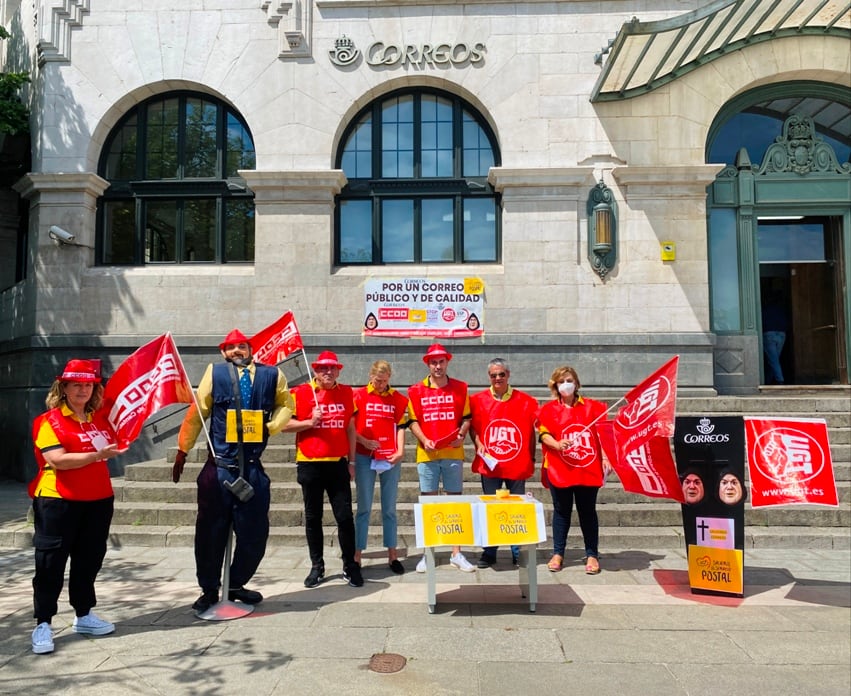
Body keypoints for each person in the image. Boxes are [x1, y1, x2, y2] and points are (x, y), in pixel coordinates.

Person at [173, 329, 294, 614]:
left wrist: (271, 426)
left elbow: (286, 404)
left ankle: (236, 583)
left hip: (252, 469)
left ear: (251, 349)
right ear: (223, 352)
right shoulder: (214, 374)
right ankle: (210, 588)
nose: (236, 351)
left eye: (241, 346)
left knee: (255, 533)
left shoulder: (271, 375)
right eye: (230, 348)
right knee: (209, 533)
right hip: (219, 470)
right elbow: (197, 413)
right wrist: (182, 449)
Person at [29, 359, 123, 654]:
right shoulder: (49, 421)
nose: (82, 390)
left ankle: (84, 615)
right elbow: (56, 460)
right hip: (58, 501)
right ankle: (43, 623)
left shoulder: (100, 419)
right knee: (50, 563)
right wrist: (96, 456)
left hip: (98, 500)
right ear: (64, 388)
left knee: (89, 559)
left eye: (88, 385)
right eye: (76, 385)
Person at [282, 350, 363, 588]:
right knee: (313, 517)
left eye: (332, 368)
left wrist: (352, 461)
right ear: (315, 370)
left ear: (339, 370)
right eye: (322, 368)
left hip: (338, 464)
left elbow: (350, 429)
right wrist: (309, 422)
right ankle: (317, 566)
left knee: (345, 517)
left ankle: (350, 565)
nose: (328, 372)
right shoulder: (299, 393)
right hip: (310, 463)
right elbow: (283, 425)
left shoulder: (348, 393)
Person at [407, 343, 475, 573]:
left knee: (455, 502)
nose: (438, 366)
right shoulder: (415, 390)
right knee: (428, 504)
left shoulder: (460, 388)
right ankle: (429, 553)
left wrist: (462, 434)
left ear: (447, 362)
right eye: (433, 362)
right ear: (428, 364)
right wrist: (424, 439)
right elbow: (412, 421)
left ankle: (457, 552)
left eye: (441, 361)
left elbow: (467, 417)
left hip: (453, 452)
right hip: (427, 453)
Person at [537, 365, 608, 575]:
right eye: (561, 381)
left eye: (569, 380)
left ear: (576, 383)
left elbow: (603, 434)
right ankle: (558, 553)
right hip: (560, 468)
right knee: (561, 512)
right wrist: (557, 444)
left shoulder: (594, 408)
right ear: (555, 386)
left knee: (588, 512)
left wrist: (605, 457)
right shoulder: (549, 409)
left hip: (587, 467)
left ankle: (592, 554)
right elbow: (543, 434)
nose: (565, 385)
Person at [469, 358, 538, 568]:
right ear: (488, 377)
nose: (497, 378)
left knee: (516, 510)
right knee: (490, 508)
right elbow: (473, 428)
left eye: (501, 374)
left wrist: (532, 458)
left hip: (516, 464)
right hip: (491, 465)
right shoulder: (477, 400)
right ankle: (489, 551)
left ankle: (518, 551)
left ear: (508, 375)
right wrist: (478, 442)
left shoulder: (526, 400)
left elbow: (532, 432)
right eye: (493, 375)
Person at [353, 360, 409, 574]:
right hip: (365, 455)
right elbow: (350, 428)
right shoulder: (358, 396)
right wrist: (362, 441)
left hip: (389, 456)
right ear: (370, 376)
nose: (381, 385)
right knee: (364, 507)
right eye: (378, 381)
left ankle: (392, 555)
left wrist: (401, 451)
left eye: (385, 381)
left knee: (389, 508)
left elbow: (401, 427)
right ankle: (357, 555)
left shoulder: (397, 398)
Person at [762, 291, 788, 385]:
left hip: (769, 334)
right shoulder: (781, 309)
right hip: (781, 334)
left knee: (773, 360)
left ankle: (780, 380)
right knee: (773, 359)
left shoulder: (764, 309)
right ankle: (768, 381)